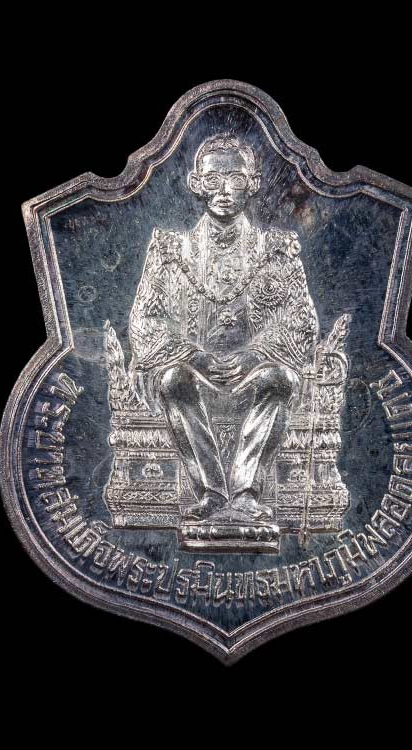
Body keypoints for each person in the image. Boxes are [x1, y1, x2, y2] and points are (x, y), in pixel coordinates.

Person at [128, 133, 318, 522]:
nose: (224, 190)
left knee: (280, 378)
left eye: (236, 178)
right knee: (173, 379)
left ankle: (246, 493)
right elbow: (144, 320)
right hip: (192, 375)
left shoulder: (277, 250)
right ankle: (211, 493)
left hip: (255, 375)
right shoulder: (168, 250)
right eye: (213, 179)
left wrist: (255, 355)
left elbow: (302, 321)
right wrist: (193, 356)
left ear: (254, 183)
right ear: (196, 183)